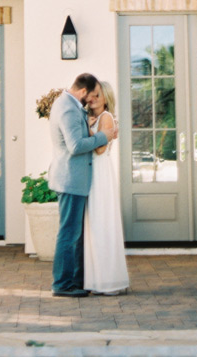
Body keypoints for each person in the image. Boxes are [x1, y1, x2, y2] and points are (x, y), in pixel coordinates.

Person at [48, 72, 116, 297]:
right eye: (93, 94)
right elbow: (75, 146)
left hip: (75, 179)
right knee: (69, 234)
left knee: (74, 234)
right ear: (84, 91)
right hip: (70, 179)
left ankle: (76, 281)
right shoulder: (67, 107)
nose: (92, 99)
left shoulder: (70, 105)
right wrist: (104, 135)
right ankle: (63, 284)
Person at [83, 80, 130, 294]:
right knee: (94, 226)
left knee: (102, 225)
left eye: (97, 95)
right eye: (91, 95)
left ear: (106, 98)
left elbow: (100, 150)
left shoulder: (106, 117)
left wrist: (87, 131)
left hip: (100, 174)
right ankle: (96, 279)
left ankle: (108, 280)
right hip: (93, 172)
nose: (92, 99)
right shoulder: (93, 118)